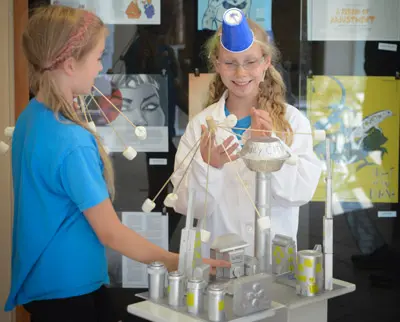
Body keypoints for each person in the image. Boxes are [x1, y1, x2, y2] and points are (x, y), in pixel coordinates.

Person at [4, 5, 229, 322]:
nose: (100, 69)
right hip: (70, 288)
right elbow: (110, 232)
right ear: (69, 64)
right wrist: (177, 260)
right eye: (97, 58)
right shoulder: (71, 139)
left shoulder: (31, 117)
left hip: (46, 281)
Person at [171, 8, 322, 258]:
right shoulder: (201, 125)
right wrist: (210, 167)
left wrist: (271, 150)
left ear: (265, 62)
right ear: (217, 65)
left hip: (274, 259)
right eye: (230, 63)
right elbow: (188, 207)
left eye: (250, 62)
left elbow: (300, 194)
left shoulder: (292, 122)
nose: (241, 74)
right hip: (218, 262)